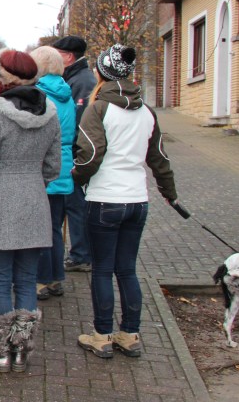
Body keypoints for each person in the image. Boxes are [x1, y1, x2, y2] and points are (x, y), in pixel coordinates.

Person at [75, 45, 177, 359]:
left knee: (102, 270)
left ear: (101, 73)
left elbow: (90, 156)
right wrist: (169, 193)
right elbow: (159, 158)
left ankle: (102, 336)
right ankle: (130, 334)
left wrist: (74, 179)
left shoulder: (98, 109)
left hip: (105, 199)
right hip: (137, 201)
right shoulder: (146, 112)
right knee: (127, 270)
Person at [0, 49, 61, 374]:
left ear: (0, 76)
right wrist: (33, 184)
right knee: (27, 279)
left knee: (0, 279)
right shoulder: (50, 111)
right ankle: (20, 352)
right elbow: (53, 166)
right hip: (34, 200)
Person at [30, 46, 76, 302]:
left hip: (44, 166)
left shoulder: (40, 95)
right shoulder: (66, 94)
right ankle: (57, 277)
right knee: (55, 227)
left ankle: (41, 280)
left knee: (40, 228)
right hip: (63, 166)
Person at [50, 35, 96, 272]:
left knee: (75, 206)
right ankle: (78, 253)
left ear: (68, 57)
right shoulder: (73, 77)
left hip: (73, 157)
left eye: (58, 54)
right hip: (70, 154)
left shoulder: (83, 81)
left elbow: (82, 122)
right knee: (71, 205)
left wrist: (78, 157)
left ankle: (81, 255)